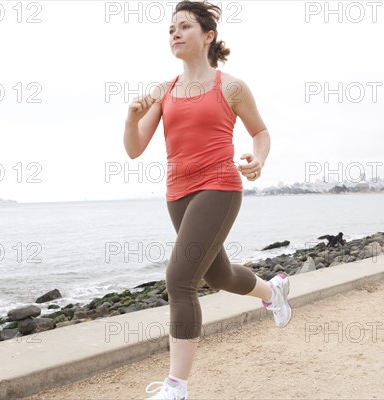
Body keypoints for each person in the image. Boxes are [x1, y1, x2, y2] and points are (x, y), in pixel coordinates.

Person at [123, 1, 292, 398]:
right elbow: (134, 149)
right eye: (170, 29)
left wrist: (259, 158)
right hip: (176, 193)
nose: (175, 34)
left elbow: (261, 132)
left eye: (184, 27)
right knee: (217, 275)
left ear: (208, 36)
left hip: (219, 186)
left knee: (179, 280)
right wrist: (130, 118)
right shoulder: (162, 91)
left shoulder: (229, 86)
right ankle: (273, 292)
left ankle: (175, 386)